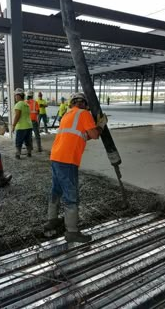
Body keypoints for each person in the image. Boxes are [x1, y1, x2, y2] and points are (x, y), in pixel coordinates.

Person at [45, 92, 108, 243]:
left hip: (56, 157)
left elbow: (79, 136)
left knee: (57, 190)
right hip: (68, 160)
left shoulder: (67, 115)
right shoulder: (84, 113)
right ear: (84, 104)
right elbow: (94, 135)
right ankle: (72, 231)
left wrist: (92, 129)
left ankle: (52, 220)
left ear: (71, 104)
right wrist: (100, 125)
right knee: (71, 195)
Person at [12, 88, 33, 159]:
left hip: (21, 126)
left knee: (19, 141)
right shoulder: (26, 104)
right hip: (29, 125)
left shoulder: (18, 104)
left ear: (19, 96)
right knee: (28, 140)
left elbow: (17, 116)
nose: (15, 97)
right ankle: (29, 153)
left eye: (15, 95)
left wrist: (13, 125)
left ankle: (18, 154)